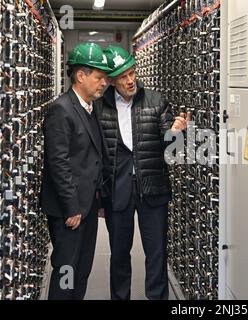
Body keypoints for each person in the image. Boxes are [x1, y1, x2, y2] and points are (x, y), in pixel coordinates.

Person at [95, 45, 189, 300]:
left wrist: (178, 134)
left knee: (156, 252)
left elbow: (173, 151)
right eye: (123, 76)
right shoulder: (100, 108)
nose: (130, 80)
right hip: (118, 191)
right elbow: (98, 157)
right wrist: (100, 196)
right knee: (119, 255)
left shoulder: (156, 101)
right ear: (111, 80)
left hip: (152, 188)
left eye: (132, 73)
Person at [40, 43, 111, 300]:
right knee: (67, 270)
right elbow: (58, 163)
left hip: (87, 205)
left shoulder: (90, 107)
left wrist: (98, 200)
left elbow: (93, 157)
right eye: (99, 77)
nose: (104, 83)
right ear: (81, 76)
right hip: (69, 210)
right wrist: (72, 208)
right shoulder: (62, 109)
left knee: (82, 269)